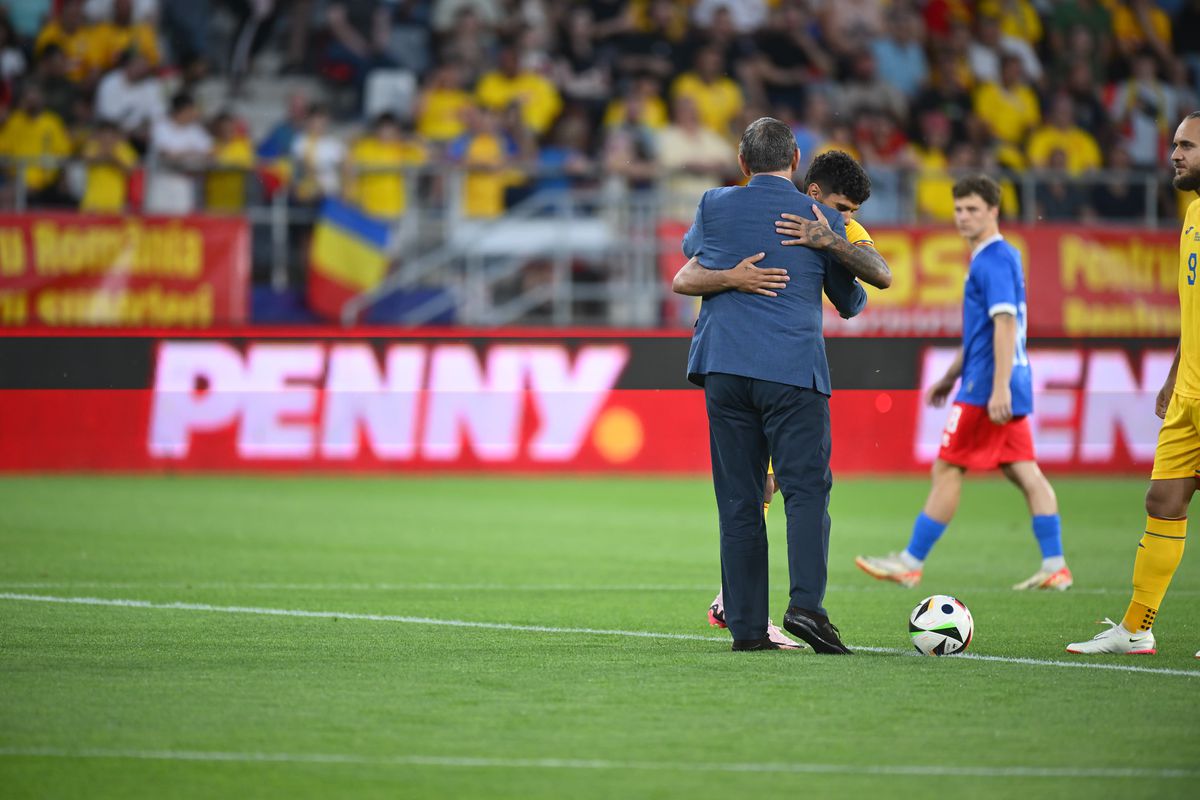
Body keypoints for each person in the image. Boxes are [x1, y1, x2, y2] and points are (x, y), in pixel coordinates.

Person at [675, 150, 893, 647]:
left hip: (724, 370)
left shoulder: (716, 205)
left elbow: (683, 275)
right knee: (807, 493)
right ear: (796, 162)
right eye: (846, 207)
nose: (849, 216)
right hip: (791, 372)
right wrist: (830, 243)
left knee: (740, 500)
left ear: (741, 158)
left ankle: (747, 628)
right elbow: (860, 296)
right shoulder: (825, 221)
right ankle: (806, 609)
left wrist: (730, 275)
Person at [855, 175, 1071, 592]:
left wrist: (999, 387)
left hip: (987, 385)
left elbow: (1005, 323)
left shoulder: (993, 259)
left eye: (973, 209)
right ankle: (1055, 563)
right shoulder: (998, 258)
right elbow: (982, 334)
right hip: (991, 377)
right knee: (1024, 470)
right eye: (958, 210)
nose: (963, 217)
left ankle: (910, 561)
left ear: (994, 211)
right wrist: (950, 376)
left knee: (948, 467)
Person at [1067, 113, 1200, 658]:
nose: (1175, 154)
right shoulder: (1192, 214)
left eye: (1188, 146)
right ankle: (1136, 628)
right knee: (1163, 500)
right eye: (1174, 144)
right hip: (1190, 393)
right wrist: (1174, 374)